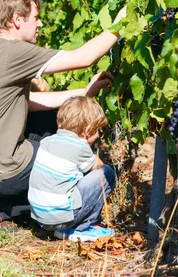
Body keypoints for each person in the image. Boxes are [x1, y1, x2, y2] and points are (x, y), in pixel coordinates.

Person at [0, 0, 126, 229]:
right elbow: (83, 58)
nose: (40, 25)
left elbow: (24, 104)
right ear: (17, 20)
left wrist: (83, 94)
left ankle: (1, 203)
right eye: (35, 18)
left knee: (50, 118)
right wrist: (121, 23)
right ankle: (55, 217)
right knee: (66, 153)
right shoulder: (14, 51)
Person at [28, 96, 115, 241]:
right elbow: (98, 167)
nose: (98, 135)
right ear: (88, 130)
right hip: (60, 218)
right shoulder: (80, 147)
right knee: (106, 174)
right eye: (97, 130)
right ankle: (81, 228)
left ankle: (61, 228)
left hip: (40, 218)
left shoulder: (47, 141)